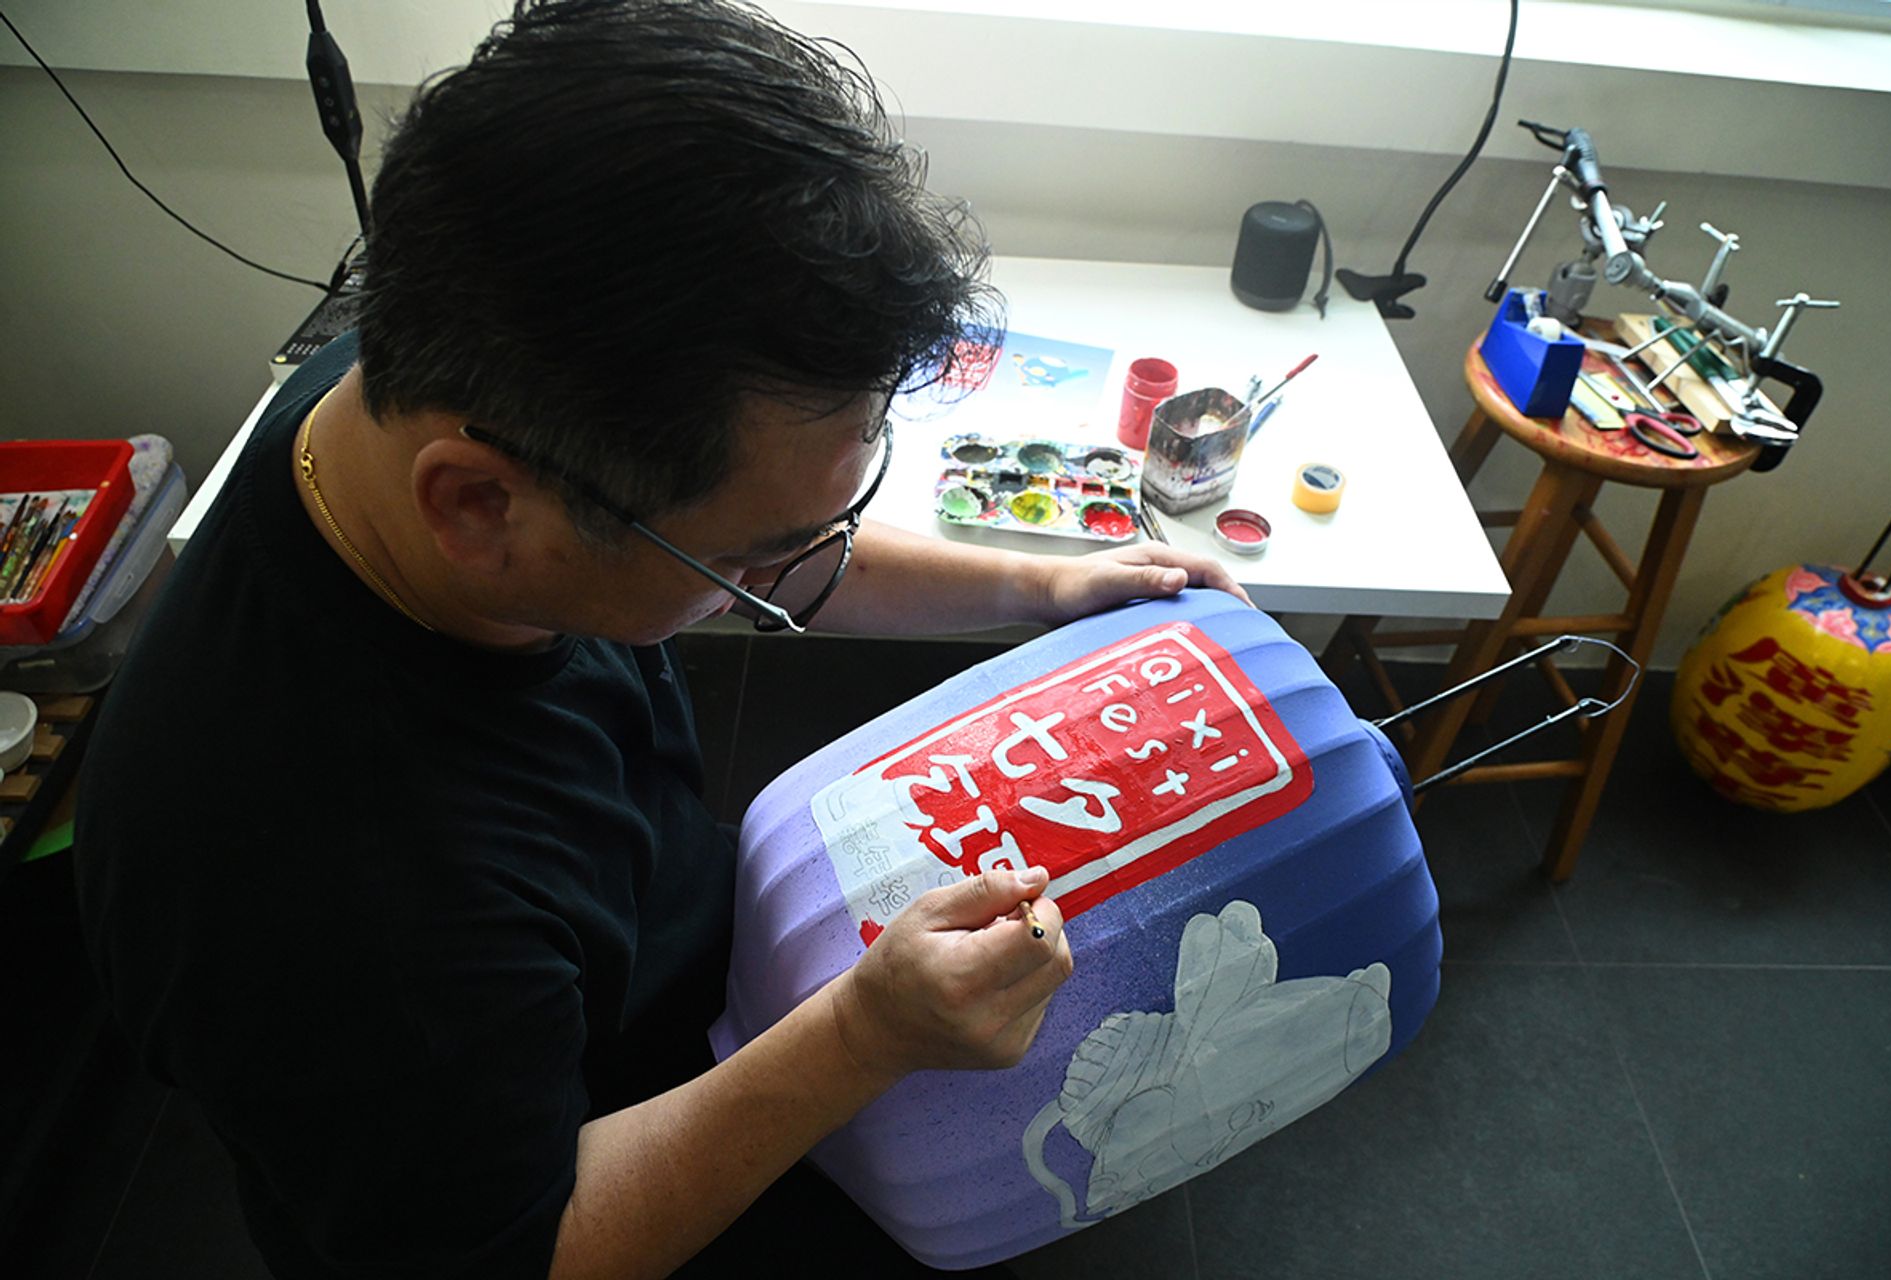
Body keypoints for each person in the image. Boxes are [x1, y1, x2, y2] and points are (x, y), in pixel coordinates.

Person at [74, 2, 1250, 1276]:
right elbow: (525, 1250)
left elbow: (774, 535)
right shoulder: (338, 908)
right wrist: (862, 1033)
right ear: (480, 507)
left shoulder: (427, 368)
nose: (781, 576)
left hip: (650, 980)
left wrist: (1040, 588)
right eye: (740, 557)